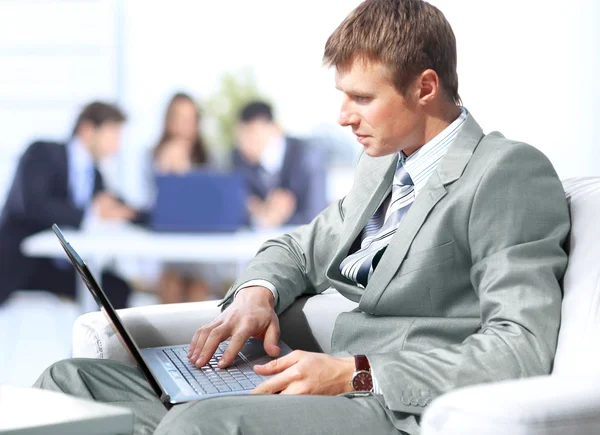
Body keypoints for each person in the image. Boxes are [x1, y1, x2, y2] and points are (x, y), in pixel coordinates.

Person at [34, 1, 571, 434]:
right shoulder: (381, 165)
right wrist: (256, 293)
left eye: (361, 97)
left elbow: (516, 347)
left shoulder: (506, 173)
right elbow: (296, 248)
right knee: (70, 385)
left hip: (388, 403)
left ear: (425, 87)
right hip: (308, 372)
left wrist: (357, 374)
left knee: (199, 424)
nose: (343, 116)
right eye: (343, 96)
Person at [0, 102, 139, 309]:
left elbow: (126, 209)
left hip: (60, 267)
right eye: (113, 134)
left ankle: (105, 342)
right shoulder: (42, 152)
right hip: (19, 262)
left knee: (117, 289)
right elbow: (32, 204)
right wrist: (91, 213)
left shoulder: (95, 175)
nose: (117, 144)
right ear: (87, 129)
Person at [152, 92, 213, 303]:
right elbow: (144, 206)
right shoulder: (151, 156)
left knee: (197, 286)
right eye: (177, 118)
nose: (182, 126)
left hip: (201, 247)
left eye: (188, 120)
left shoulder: (209, 159)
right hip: (164, 248)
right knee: (171, 284)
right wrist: (164, 171)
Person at [233, 101, 327, 228]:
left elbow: (316, 216)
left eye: (251, 133)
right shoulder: (239, 159)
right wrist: (260, 217)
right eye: (241, 135)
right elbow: (235, 211)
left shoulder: (308, 157)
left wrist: (277, 218)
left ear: (275, 129)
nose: (244, 144)